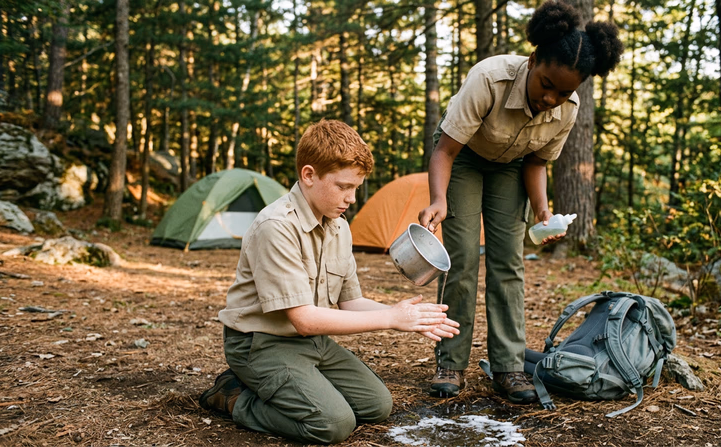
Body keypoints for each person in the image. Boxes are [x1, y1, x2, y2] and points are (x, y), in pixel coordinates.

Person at [199, 119, 460, 444]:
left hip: (311, 341)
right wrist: (390, 319)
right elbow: (303, 319)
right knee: (333, 424)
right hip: (260, 343)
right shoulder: (276, 227)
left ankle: (296, 385)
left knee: (377, 405)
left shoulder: (339, 226)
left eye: (356, 188)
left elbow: (350, 302)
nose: (351, 198)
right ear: (309, 175)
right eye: (342, 187)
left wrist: (406, 317)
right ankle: (235, 396)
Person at [418, 1, 624, 404]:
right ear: (533, 61)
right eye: (546, 84)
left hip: (510, 167)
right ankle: (451, 364)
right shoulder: (488, 79)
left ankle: (509, 366)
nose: (552, 98)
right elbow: (445, 151)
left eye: (564, 92)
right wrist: (438, 199)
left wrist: (543, 212)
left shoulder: (567, 107)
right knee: (459, 259)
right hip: (463, 160)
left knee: (507, 262)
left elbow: (536, 163)